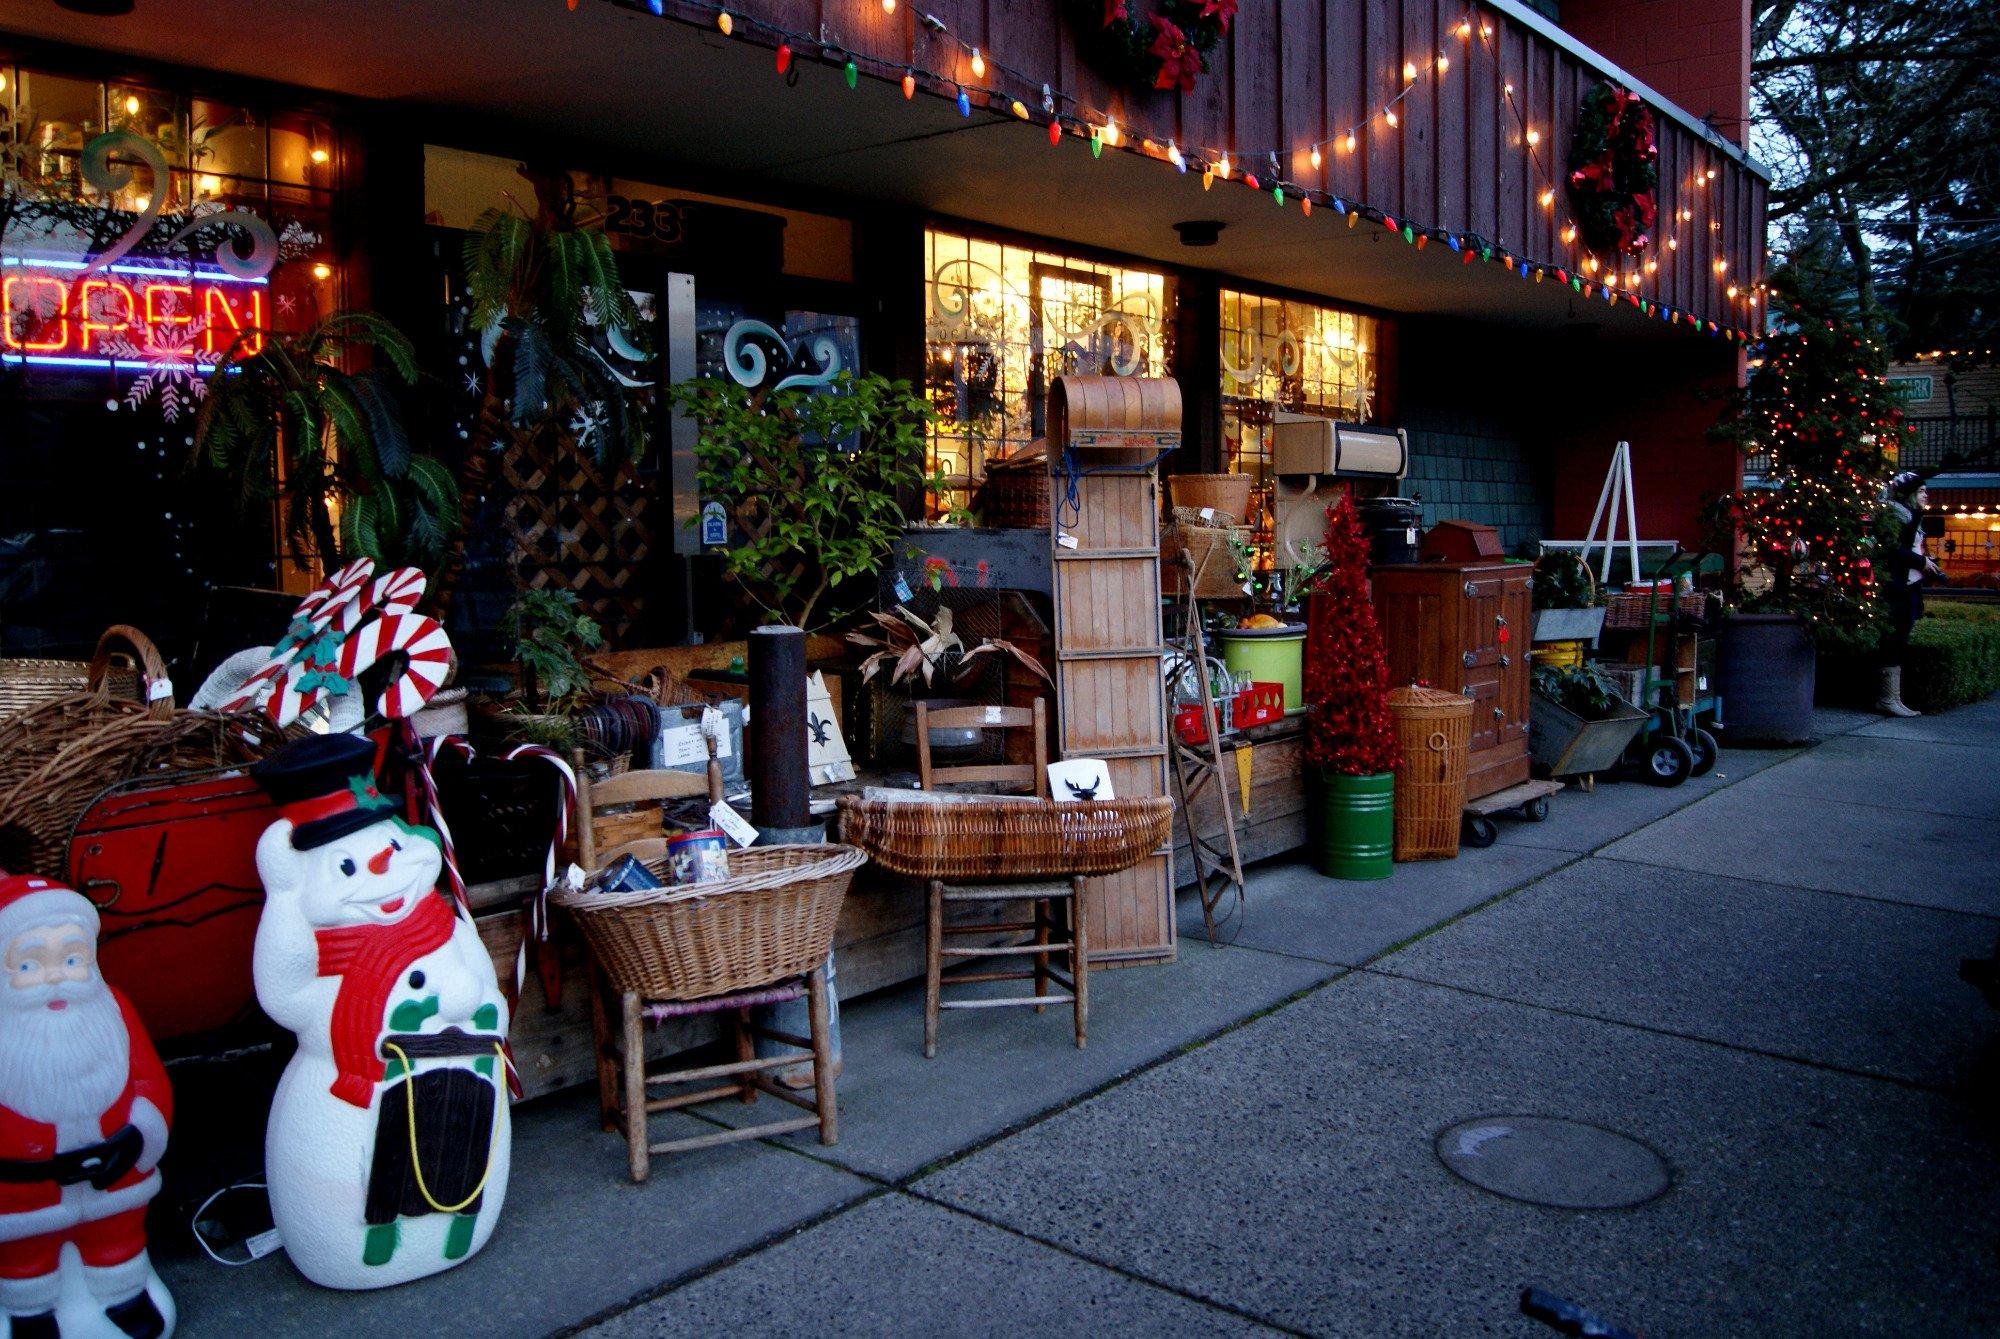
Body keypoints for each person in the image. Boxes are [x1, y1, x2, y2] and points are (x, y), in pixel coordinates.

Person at [0, 872, 174, 1339]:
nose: (56, 976)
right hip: (23, 1196)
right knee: (25, 1256)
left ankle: (124, 1295)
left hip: (116, 1177)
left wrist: (137, 1137)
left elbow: (148, 1081)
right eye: (31, 965)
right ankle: (30, 1312)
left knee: (117, 1240)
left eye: (72, 958)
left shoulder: (112, 1008)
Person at [1876, 472, 1942, 717]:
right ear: (1911, 493)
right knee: (1893, 639)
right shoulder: (1897, 515)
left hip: (1910, 584)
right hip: (1897, 587)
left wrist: (1925, 561)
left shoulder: (1912, 515)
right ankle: (1887, 698)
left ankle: (1893, 698)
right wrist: (1920, 561)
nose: (1926, 495)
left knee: (1900, 638)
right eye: (1922, 491)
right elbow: (1892, 549)